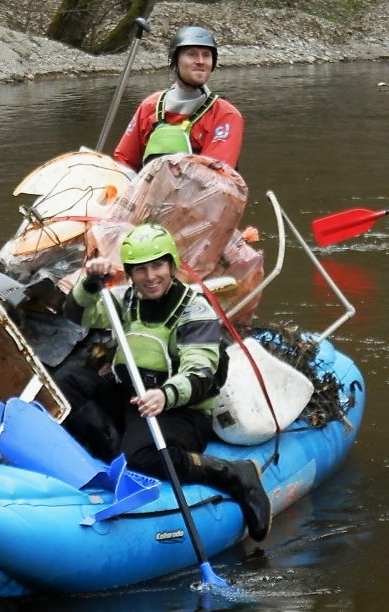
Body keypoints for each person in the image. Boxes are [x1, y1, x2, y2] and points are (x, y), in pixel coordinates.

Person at [53, 223, 271, 541]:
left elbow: (200, 375)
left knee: (144, 457)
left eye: (158, 266)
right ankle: (115, 456)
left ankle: (233, 474)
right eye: (141, 270)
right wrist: (89, 281)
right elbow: (75, 313)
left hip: (180, 409)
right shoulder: (127, 300)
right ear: (130, 273)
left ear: (171, 265)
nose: (150, 277)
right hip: (131, 397)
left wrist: (165, 396)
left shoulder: (195, 313)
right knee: (68, 382)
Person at [112, 25, 244, 171]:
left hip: (201, 192)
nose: (200, 61)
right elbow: (124, 161)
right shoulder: (150, 106)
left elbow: (214, 176)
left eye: (206, 55)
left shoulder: (225, 115)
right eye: (191, 54)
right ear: (175, 61)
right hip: (148, 191)